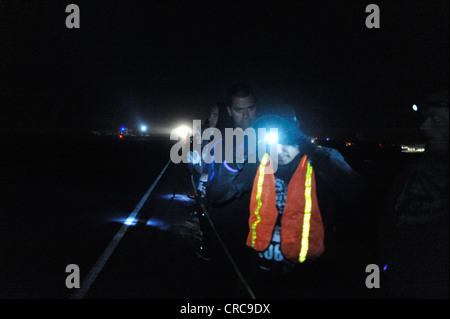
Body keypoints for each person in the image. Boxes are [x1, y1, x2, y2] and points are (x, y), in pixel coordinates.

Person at [245, 106, 362, 298]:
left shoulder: (322, 159)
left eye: (287, 141)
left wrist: (309, 146)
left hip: (309, 274)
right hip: (265, 269)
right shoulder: (262, 163)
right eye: (273, 142)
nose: (279, 150)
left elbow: (354, 190)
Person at [379, 89, 449, 298]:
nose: (424, 127)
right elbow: (388, 225)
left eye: (435, 119)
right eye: (426, 118)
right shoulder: (411, 174)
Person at [198, 83, 259, 266]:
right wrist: (232, 165)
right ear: (230, 111)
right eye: (239, 110)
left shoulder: (270, 138)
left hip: (261, 231)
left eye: (250, 108)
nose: (246, 116)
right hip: (229, 232)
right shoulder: (222, 144)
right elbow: (214, 195)